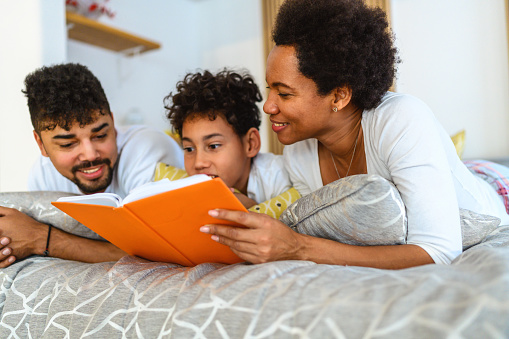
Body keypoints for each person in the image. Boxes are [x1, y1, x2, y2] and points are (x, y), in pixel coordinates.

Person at [199, 0, 509, 269]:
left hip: (494, 196)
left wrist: (297, 247)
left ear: (339, 96)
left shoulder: (400, 119)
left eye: (285, 94)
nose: (268, 106)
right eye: (270, 90)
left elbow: (439, 252)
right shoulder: (298, 152)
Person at [0, 63, 184, 267]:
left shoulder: (146, 149)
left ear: (113, 123)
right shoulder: (42, 175)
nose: (90, 154)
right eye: (68, 144)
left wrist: (43, 239)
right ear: (40, 144)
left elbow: (163, 253)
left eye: (100, 135)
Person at [158, 69, 297, 216]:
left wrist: (251, 208)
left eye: (213, 146)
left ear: (251, 143)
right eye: (189, 149)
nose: (198, 163)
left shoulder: (280, 179)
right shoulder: (186, 186)